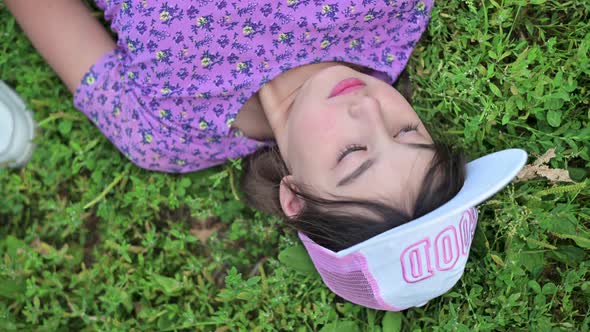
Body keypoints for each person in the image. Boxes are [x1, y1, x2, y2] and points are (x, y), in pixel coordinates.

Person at [4, 0, 465, 253]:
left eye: (352, 154)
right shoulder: (387, 13)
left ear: (295, 195)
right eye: (407, 131)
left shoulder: (167, 135)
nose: (369, 109)